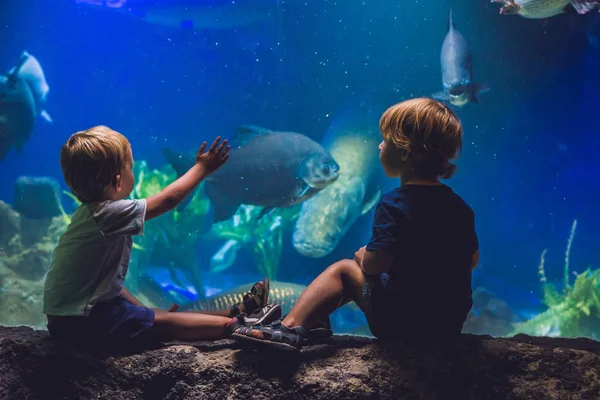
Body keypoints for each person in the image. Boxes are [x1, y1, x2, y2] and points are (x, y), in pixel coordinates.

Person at [232, 98, 480, 352]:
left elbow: (375, 265)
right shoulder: (459, 206)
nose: (379, 144)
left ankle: (289, 329)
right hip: (448, 326)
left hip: (403, 326)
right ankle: (315, 324)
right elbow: (471, 261)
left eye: (386, 140)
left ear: (406, 152)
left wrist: (364, 257)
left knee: (344, 270)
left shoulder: (394, 203)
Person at [42, 125, 281, 345]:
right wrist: (201, 168)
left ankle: (233, 313)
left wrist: (146, 310)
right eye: (130, 167)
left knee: (160, 317)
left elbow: (108, 288)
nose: (132, 171)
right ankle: (241, 327)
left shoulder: (90, 216)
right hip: (84, 323)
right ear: (117, 182)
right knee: (167, 325)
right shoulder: (109, 213)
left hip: (73, 318)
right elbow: (168, 200)